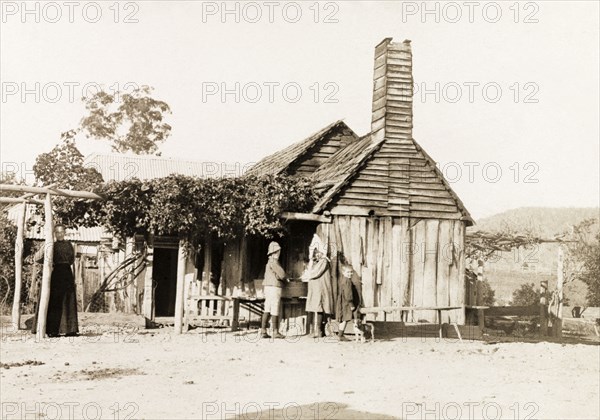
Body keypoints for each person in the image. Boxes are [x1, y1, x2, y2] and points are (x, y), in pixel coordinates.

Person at [31, 224, 79, 337]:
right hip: (55, 274)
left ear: (65, 233)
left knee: (68, 300)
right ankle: (53, 330)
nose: (60, 234)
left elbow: (71, 260)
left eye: (62, 231)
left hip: (67, 274)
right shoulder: (51, 245)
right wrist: (46, 246)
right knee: (55, 301)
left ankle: (69, 330)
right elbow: (37, 258)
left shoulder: (69, 245)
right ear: (54, 234)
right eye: (57, 232)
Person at [303, 250, 334, 338]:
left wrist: (307, 272)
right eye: (315, 253)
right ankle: (319, 330)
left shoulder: (323, 261)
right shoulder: (318, 261)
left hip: (321, 287)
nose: (317, 255)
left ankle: (319, 330)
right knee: (318, 307)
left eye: (318, 253)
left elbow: (314, 273)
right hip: (317, 288)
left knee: (319, 307)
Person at [261, 241, 288, 339]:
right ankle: (275, 331)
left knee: (267, 308)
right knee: (275, 308)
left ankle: (263, 331)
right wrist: (284, 278)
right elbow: (282, 274)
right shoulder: (274, 262)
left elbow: (277, 274)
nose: (279, 252)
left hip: (268, 287)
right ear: (275, 252)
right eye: (278, 251)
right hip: (274, 287)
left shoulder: (270, 262)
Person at [336, 264, 363, 341]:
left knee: (344, 319)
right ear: (343, 272)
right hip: (346, 303)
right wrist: (351, 304)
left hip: (343, 302)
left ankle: (340, 335)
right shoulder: (347, 281)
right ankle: (341, 335)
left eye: (351, 272)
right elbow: (348, 294)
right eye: (348, 272)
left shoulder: (343, 279)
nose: (350, 274)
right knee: (346, 318)